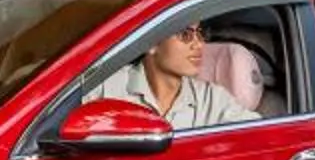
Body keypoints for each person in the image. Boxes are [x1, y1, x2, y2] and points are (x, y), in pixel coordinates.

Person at [91, 17, 252, 131]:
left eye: (200, 33)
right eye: (185, 34)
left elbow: (266, 137)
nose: (199, 44)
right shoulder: (106, 88)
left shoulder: (211, 100)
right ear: (151, 43)